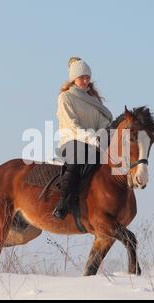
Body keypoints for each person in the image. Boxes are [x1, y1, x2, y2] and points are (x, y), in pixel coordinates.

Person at [53, 57, 113, 219]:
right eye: (82, 77)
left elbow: (103, 121)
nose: (86, 80)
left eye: (88, 77)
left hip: (93, 143)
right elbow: (71, 125)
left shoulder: (94, 100)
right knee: (78, 156)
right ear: (74, 78)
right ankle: (63, 203)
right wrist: (90, 137)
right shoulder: (65, 97)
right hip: (71, 141)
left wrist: (101, 134)